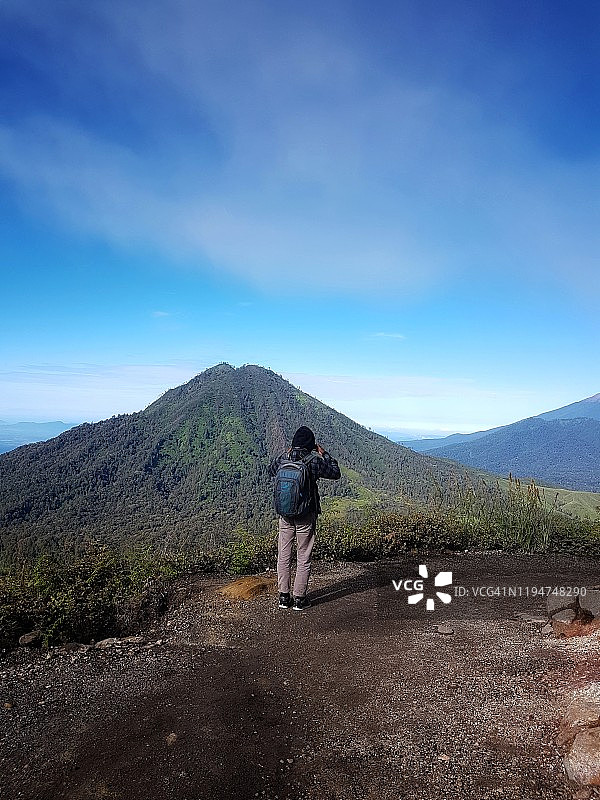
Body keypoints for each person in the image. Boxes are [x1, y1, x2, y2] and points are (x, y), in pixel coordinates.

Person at [268, 426, 341, 611]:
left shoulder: (283, 459)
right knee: (303, 556)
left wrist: (286, 454)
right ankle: (299, 599)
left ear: (293, 444)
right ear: (311, 445)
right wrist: (324, 454)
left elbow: (270, 470)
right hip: (305, 515)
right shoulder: (313, 461)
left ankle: (284, 597)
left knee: (284, 555)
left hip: (285, 515)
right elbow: (335, 473)